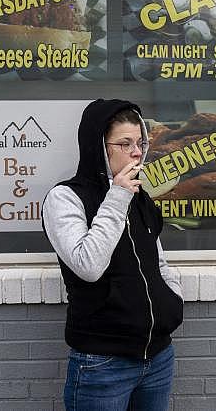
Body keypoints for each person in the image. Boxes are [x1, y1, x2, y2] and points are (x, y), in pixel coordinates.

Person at [42, 99, 184, 411]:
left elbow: (157, 260)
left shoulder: (139, 197)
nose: (137, 152)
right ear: (99, 146)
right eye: (125, 143)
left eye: (140, 142)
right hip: (102, 363)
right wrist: (117, 195)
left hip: (158, 356)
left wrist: (172, 298)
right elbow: (88, 266)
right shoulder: (65, 198)